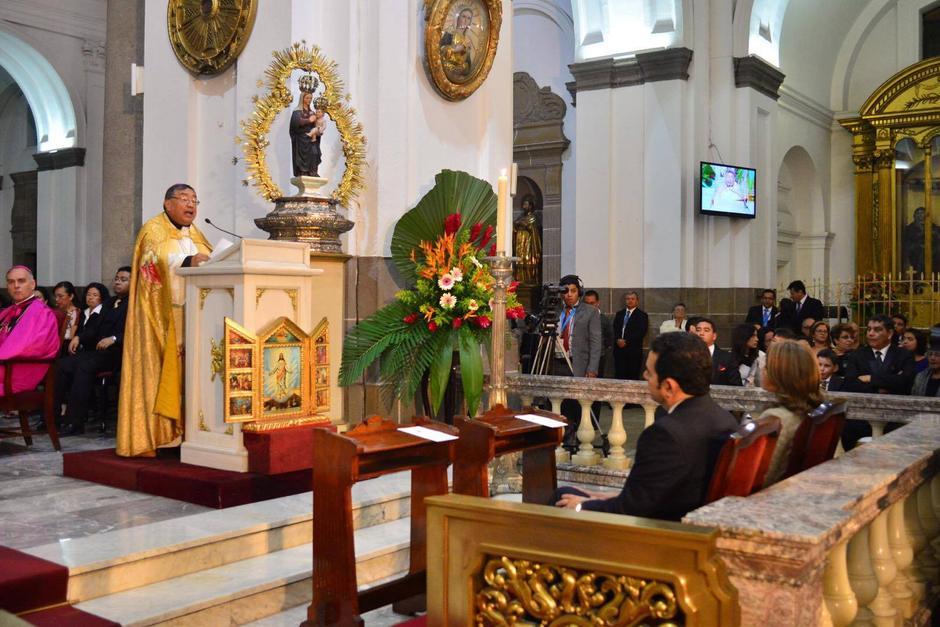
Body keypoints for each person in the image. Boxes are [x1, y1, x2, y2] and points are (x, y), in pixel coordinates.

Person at [553, 332, 737, 521]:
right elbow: (651, 495)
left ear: (668, 387)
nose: (644, 376)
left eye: (649, 372)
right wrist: (600, 497)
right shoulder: (724, 419)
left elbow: (630, 510)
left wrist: (581, 506)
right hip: (680, 513)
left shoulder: (664, 434)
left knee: (559, 499)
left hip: (659, 532)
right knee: (569, 492)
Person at [117, 184, 212, 457]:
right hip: (160, 316)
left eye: (194, 199)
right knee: (162, 371)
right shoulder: (153, 230)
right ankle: (161, 433)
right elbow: (152, 265)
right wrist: (188, 261)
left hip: (193, 314)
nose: (190, 204)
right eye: (184, 199)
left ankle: (189, 431)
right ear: (167, 203)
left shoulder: (197, 233)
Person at [56, 268, 130, 435]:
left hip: (118, 352)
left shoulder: (135, 303)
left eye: (124, 279)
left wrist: (114, 339)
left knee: (84, 366)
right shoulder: (109, 303)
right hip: (98, 351)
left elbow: (138, 331)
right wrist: (79, 338)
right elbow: (95, 329)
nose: (118, 282)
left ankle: (75, 423)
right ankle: (53, 418)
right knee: (62, 365)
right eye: (117, 278)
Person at [841, 314, 916, 449]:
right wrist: (884, 386)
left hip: (895, 419)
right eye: (869, 329)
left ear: (890, 333)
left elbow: (905, 382)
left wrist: (871, 379)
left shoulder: (903, 355)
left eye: (877, 330)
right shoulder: (857, 355)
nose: (871, 333)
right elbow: (850, 384)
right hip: (861, 420)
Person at [759, 340, 825, 486]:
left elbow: (761, 477)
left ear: (780, 373)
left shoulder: (777, 419)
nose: (762, 369)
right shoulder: (809, 408)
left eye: (767, 366)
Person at [554, 276, 602, 450]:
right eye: (565, 291)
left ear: (579, 292)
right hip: (557, 362)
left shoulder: (589, 311)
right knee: (560, 402)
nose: (569, 295)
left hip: (578, 363)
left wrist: (592, 368)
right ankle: (561, 435)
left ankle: (575, 436)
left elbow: (596, 342)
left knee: (576, 403)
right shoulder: (555, 310)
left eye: (573, 291)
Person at [0, 266, 60, 396]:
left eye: (21, 281)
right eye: (11, 282)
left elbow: (35, 346)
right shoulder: (7, 311)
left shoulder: (43, 313)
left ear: (33, 284)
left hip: (20, 370)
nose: (16, 285)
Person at [693, 317, 743, 386]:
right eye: (698, 330)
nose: (701, 333)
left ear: (714, 336)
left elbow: (737, 387)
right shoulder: (686, 356)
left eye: (706, 330)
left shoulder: (727, 358)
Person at [612, 291, 648, 380]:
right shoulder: (619, 314)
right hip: (619, 351)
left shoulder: (642, 315)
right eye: (628, 299)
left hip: (633, 352)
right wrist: (617, 340)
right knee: (619, 377)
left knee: (632, 377)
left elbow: (641, 332)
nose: (630, 301)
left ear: (637, 301)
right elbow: (614, 328)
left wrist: (626, 342)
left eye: (632, 299)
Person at [290, 89, 324, 177]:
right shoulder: (297, 111)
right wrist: (308, 120)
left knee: (314, 153)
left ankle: (312, 171)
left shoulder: (312, 112)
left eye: (310, 98)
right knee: (302, 156)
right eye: (307, 98)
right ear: (302, 98)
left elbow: (317, 124)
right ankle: (303, 171)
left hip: (312, 139)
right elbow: (295, 123)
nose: (309, 100)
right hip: (301, 139)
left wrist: (319, 130)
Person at [439, 7, 480, 80]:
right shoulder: (450, 33)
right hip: (445, 72)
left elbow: (468, 64)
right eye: (463, 16)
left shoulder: (467, 41)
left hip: (457, 77)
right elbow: (439, 51)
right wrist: (454, 49)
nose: (465, 20)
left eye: (468, 18)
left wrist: (463, 68)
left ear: (470, 23)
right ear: (458, 18)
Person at [69, 283, 109, 355]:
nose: (90, 297)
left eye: (95, 295)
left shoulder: (104, 313)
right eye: (88, 294)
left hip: (95, 351)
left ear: (102, 297)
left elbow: (95, 332)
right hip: (80, 350)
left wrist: (78, 337)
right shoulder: (83, 312)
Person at [513, 195, 542, 286]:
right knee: (519, 261)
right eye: (523, 204)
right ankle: (519, 280)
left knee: (527, 260)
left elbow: (532, 228)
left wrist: (522, 224)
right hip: (520, 244)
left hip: (528, 244)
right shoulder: (521, 217)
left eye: (525, 205)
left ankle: (529, 279)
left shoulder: (533, 217)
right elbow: (515, 225)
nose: (523, 207)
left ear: (530, 206)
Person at [582, 290, 611, 376]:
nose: (589, 306)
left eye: (592, 303)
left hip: (598, 358)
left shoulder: (604, 320)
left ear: (597, 303)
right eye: (586, 303)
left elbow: (609, 338)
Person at [731, 323, 764, 388]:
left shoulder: (761, 356)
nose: (757, 339)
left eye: (756, 336)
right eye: (753, 336)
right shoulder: (730, 357)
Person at [53, 281, 80, 355]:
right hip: (55, 348)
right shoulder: (53, 313)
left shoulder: (80, 313)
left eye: (60, 296)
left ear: (71, 296)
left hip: (72, 347)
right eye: (55, 296)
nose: (56, 299)